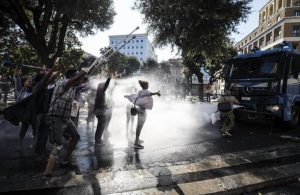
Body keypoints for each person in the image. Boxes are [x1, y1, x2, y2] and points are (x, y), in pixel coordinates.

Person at [43, 65, 92, 177]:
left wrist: (86, 73)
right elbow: (77, 79)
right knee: (58, 145)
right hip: (55, 116)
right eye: (76, 77)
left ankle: (65, 161)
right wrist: (83, 72)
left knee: (75, 137)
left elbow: (82, 80)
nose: (79, 81)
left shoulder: (73, 87)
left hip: (66, 118)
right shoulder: (62, 82)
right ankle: (47, 172)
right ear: (71, 76)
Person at [125, 80, 161, 149]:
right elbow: (150, 93)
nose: (148, 86)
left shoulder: (139, 91)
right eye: (147, 85)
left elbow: (136, 98)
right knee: (139, 127)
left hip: (139, 109)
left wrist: (128, 97)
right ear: (145, 86)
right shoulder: (146, 91)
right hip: (142, 111)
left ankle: (137, 139)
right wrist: (156, 93)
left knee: (138, 126)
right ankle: (136, 142)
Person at [94, 77, 113, 146]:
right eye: (102, 85)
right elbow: (106, 85)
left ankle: (98, 139)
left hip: (99, 111)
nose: (104, 86)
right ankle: (98, 141)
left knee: (101, 126)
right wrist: (109, 78)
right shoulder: (101, 91)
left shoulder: (99, 92)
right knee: (100, 127)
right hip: (100, 111)